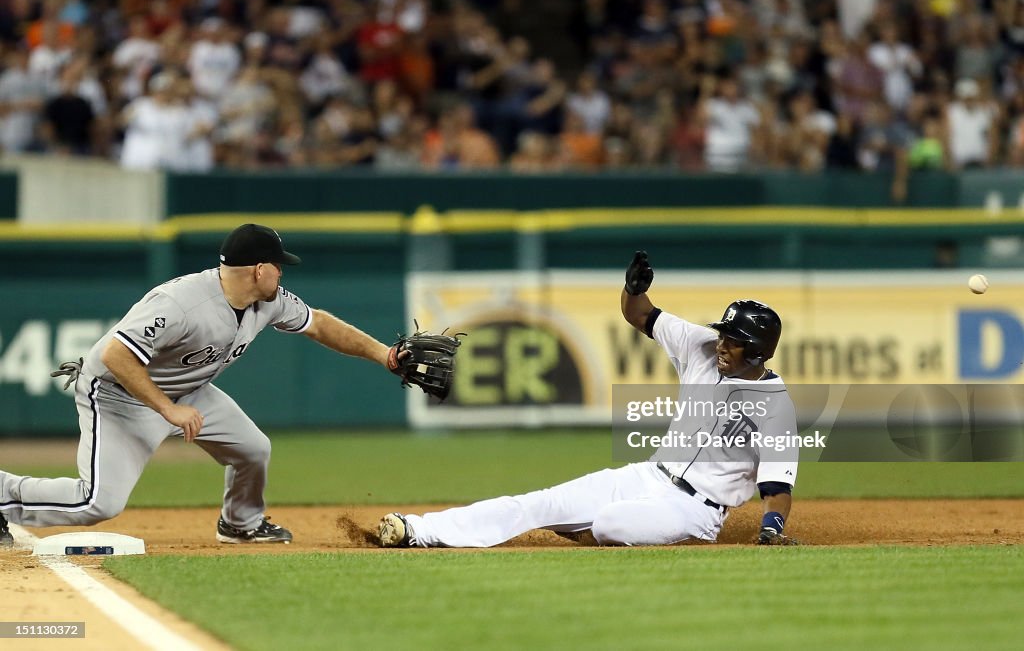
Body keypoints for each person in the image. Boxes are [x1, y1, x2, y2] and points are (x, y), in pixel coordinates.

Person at [1, 224, 405, 548]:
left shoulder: (270, 300)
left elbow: (319, 324)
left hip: (189, 391)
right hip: (118, 395)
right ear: (258, 269)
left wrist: (384, 354)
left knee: (253, 449)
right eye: (278, 265)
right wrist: (168, 409)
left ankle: (240, 524)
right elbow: (115, 356)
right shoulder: (180, 302)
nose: (282, 272)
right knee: (98, 502)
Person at [377, 252, 799, 548]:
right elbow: (639, 314)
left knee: (611, 522)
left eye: (735, 341)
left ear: (759, 351)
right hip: (648, 475)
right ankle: (418, 530)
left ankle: (646, 534)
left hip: (697, 510)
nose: (723, 345)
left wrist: (772, 526)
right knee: (539, 502)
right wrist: (633, 289)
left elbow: (778, 484)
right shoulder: (701, 344)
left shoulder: (775, 405)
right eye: (723, 334)